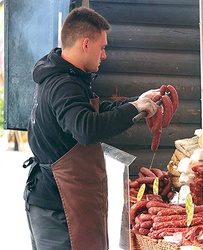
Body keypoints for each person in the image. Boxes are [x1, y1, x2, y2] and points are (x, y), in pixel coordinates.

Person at [22, 6, 175, 250]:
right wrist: (133, 109)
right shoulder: (64, 84)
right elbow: (86, 128)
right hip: (58, 206)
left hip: (60, 202)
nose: (104, 55)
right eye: (102, 47)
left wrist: (137, 102)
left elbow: (93, 111)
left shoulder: (64, 76)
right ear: (85, 44)